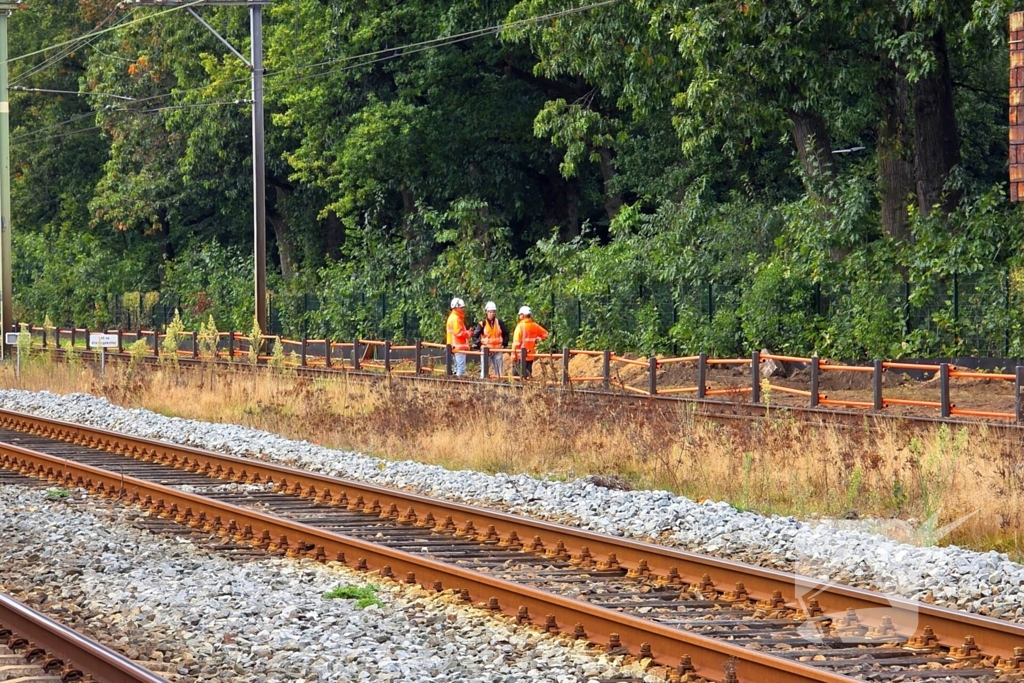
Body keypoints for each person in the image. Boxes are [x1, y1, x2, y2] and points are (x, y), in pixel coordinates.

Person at [472, 301, 509, 378]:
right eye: (490, 312)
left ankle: (499, 385)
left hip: (497, 350)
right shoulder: (482, 324)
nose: (492, 314)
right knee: (484, 371)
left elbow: (506, 334)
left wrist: (504, 344)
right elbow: (474, 336)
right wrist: (480, 345)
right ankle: (483, 385)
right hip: (486, 351)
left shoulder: (499, 323)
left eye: (493, 312)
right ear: (487, 312)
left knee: (499, 373)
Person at [510, 305, 548, 379]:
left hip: (520, 356)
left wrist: (513, 357)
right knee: (527, 376)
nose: (519, 316)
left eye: (520, 314)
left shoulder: (520, 327)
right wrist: (538, 339)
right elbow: (546, 334)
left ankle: (520, 390)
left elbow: (516, 344)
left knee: (517, 377)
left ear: (523, 315)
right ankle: (528, 389)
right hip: (530, 355)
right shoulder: (535, 325)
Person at [446, 298, 471, 376]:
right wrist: (468, 333)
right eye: (461, 307)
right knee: (461, 369)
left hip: (454, 347)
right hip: (458, 348)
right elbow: (459, 333)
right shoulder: (456, 319)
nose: (463, 309)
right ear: (456, 307)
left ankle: (455, 384)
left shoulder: (453, 317)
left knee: (457, 369)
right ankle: (458, 384)